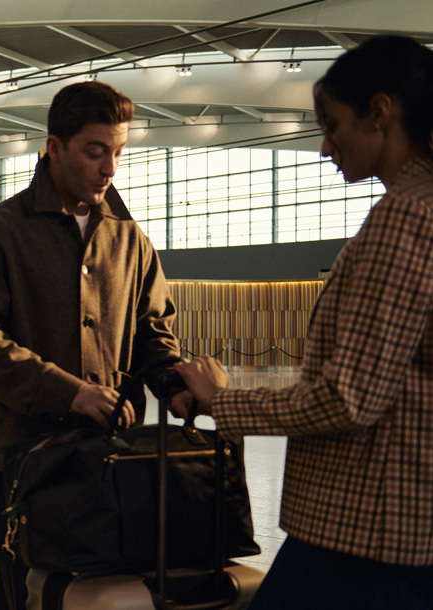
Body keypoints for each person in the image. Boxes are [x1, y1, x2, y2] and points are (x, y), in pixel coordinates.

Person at [172, 36, 433, 609]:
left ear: (380, 112)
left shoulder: (405, 217)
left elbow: (348, 399)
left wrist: (223, 400)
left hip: (364, 530)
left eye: (332, 125)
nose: (324, 146)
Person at [0, 81, 191, 609]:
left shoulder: (130, 239)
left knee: (99, 595)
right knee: (23, 594)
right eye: (95, 152)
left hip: (112, 456)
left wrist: (175, 382)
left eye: (118, 153)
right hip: (25, 461)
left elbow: (152, 329)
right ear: (54, 148)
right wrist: (70, 392)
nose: (109, 168)